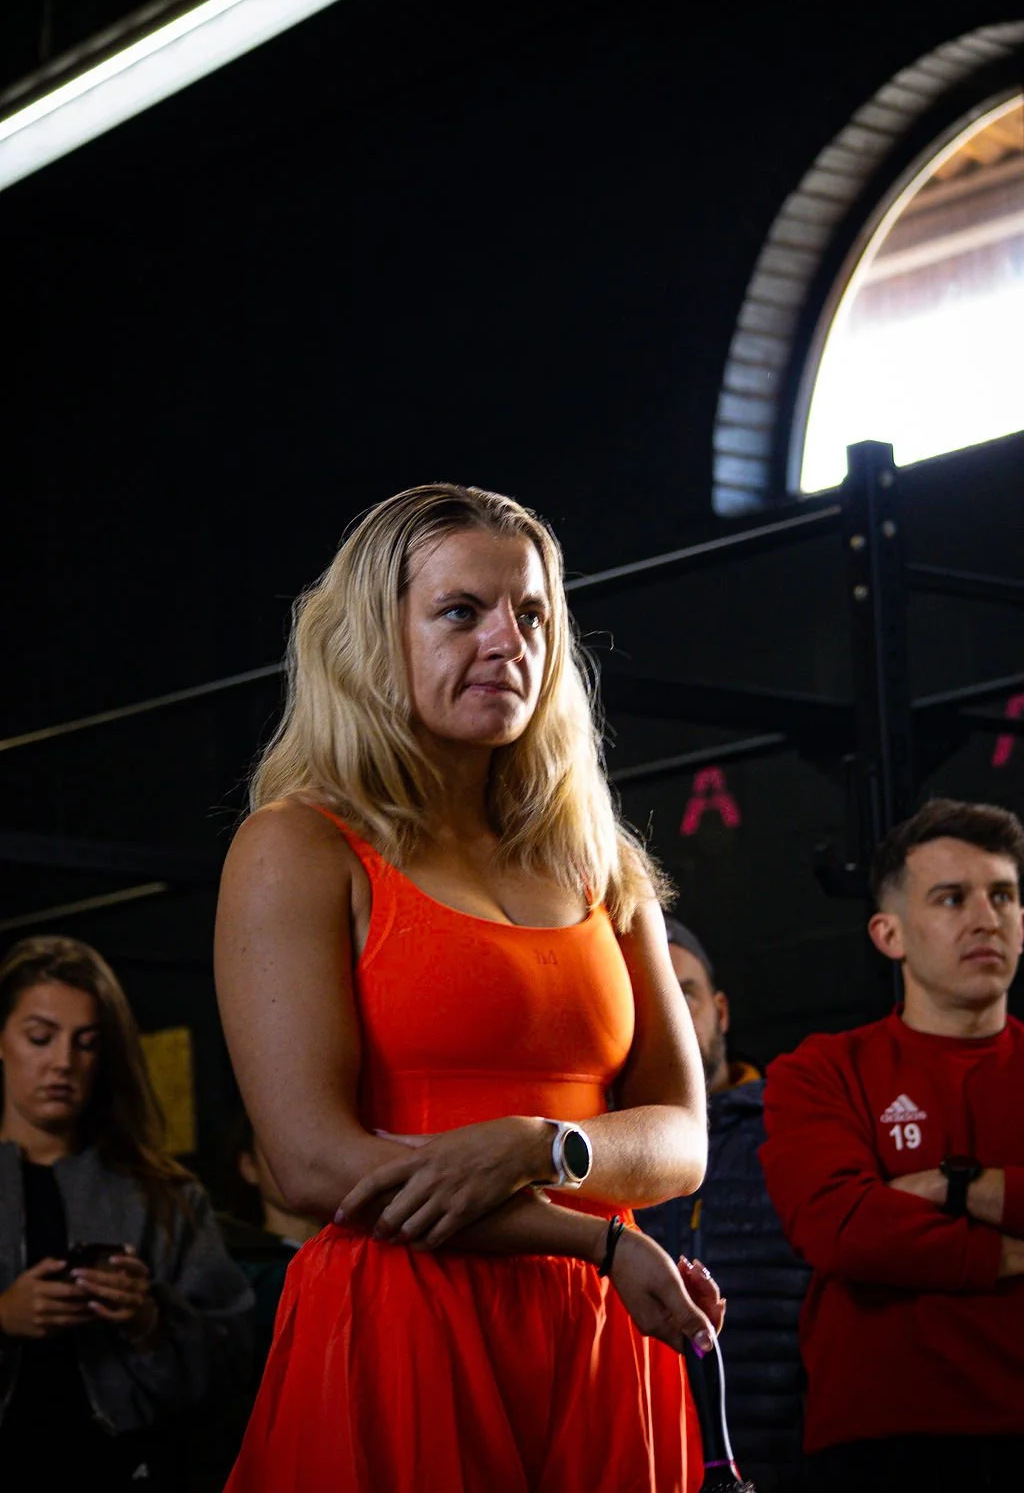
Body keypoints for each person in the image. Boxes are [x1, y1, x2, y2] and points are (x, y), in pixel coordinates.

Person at [214, 482, 723, 1493]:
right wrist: (590, 1239)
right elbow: (314, 1165)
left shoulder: (598, 864)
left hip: (598, 1330)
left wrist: (544, 1145)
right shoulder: (298, 845)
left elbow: (682, 1138)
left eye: (531, 612)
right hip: (406, 1318)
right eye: (461, 612)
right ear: (373, 639)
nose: (508, 641)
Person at [760, 798, 1024, 1491]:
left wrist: (950, 1184)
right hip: (882, 1441)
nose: (986, 918)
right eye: (951, 898)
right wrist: (1003, 1251)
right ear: (889, 934)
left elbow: (872, 1226)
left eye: (1003, 896)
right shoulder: (817, 1072)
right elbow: (840, 1228)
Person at [0, 934, 253, 1490]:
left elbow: (235, 1360)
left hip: (125, 1468)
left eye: (86, 1043)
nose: (62, 1063)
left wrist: (149, 1320)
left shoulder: (163, 1195)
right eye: (40, 1038)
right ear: (2, 1039)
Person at [638, 916, 809, 1492]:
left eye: (681, 989)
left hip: (790, 1451)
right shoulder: (589, 1153)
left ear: (721, 1011)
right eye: (646, 989)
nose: (668, 1008)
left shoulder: (793, 1125)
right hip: (646, 1452)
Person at [217, 1109, 321, 1373]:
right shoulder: (234, 1267)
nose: (301, 1161)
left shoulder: (360, 1252)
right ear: (248, 1166)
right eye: (280, 1150)